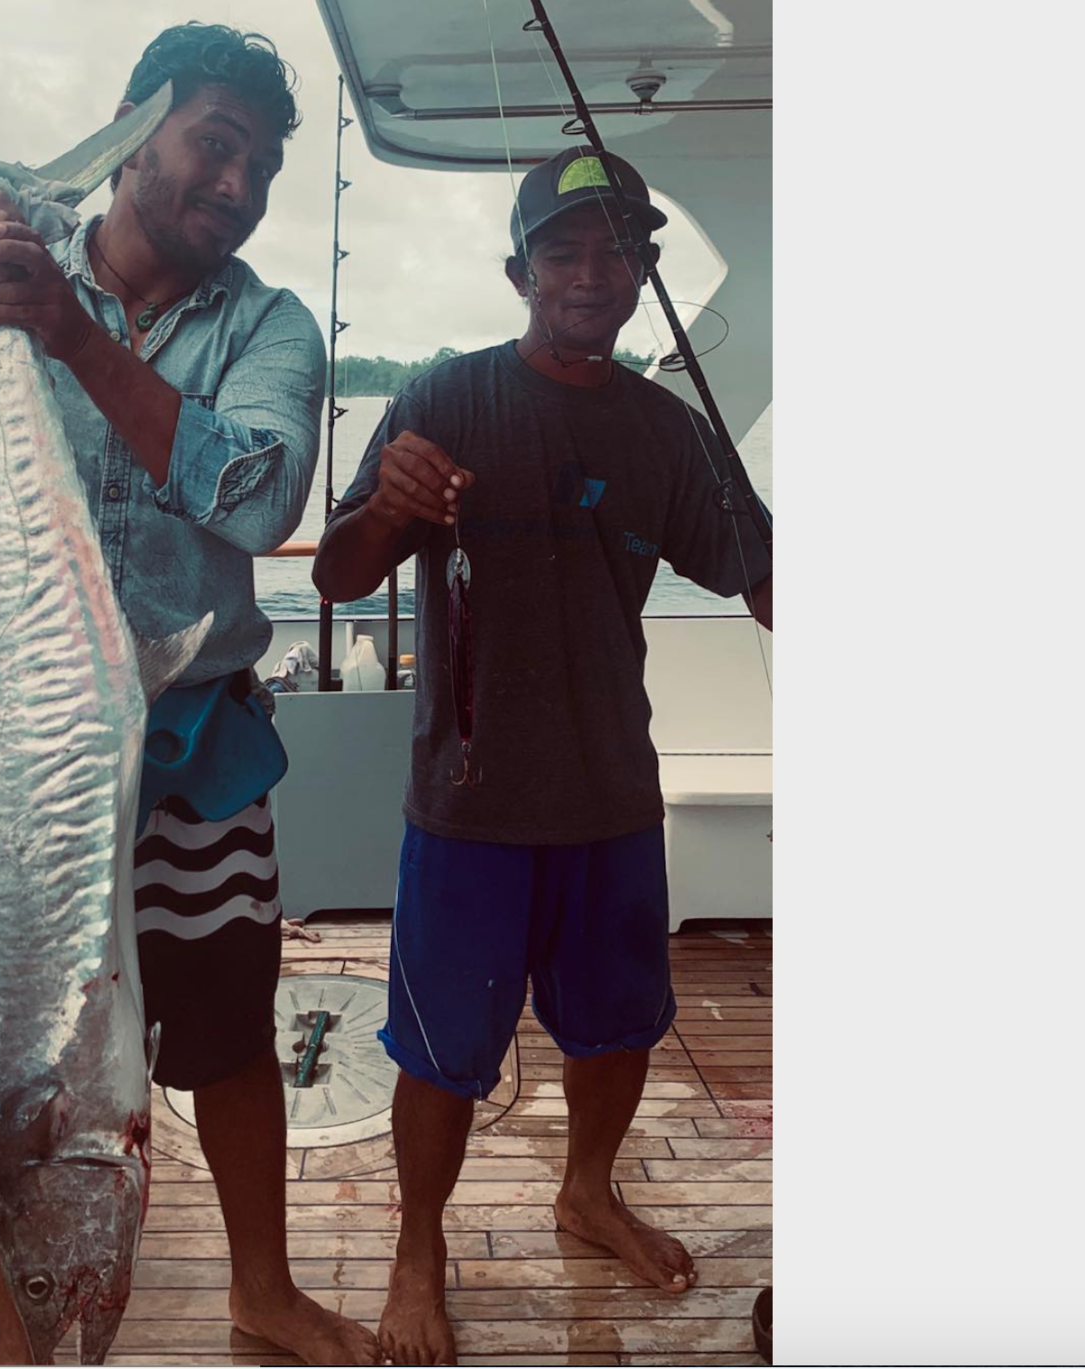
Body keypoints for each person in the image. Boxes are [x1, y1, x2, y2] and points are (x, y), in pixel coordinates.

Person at [0, 23, 379, 1367]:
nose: (238, 186)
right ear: (136, 133)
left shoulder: (266, 324)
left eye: (264, 166)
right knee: (8, 1062)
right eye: (213, 146)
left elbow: (264, 488)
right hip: (14, 756)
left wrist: (64, 331)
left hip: (196, 741)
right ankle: (26, 1325)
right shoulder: (3, 287)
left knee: (229, 1035)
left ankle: (262, 1289)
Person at [310, 145, 775, 1365]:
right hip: (465, 809)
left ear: (643, 274)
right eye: (561, 251)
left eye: (614, 249)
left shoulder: (667, 432)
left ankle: (587, 1190)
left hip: (612, 794)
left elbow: (758, 572)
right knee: (440, 1051)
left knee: (616, 1029)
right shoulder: (443, 397)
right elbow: (338, 572)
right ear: (518, 271)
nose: (588, 271)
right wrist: (388, 505)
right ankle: (419, 1244)